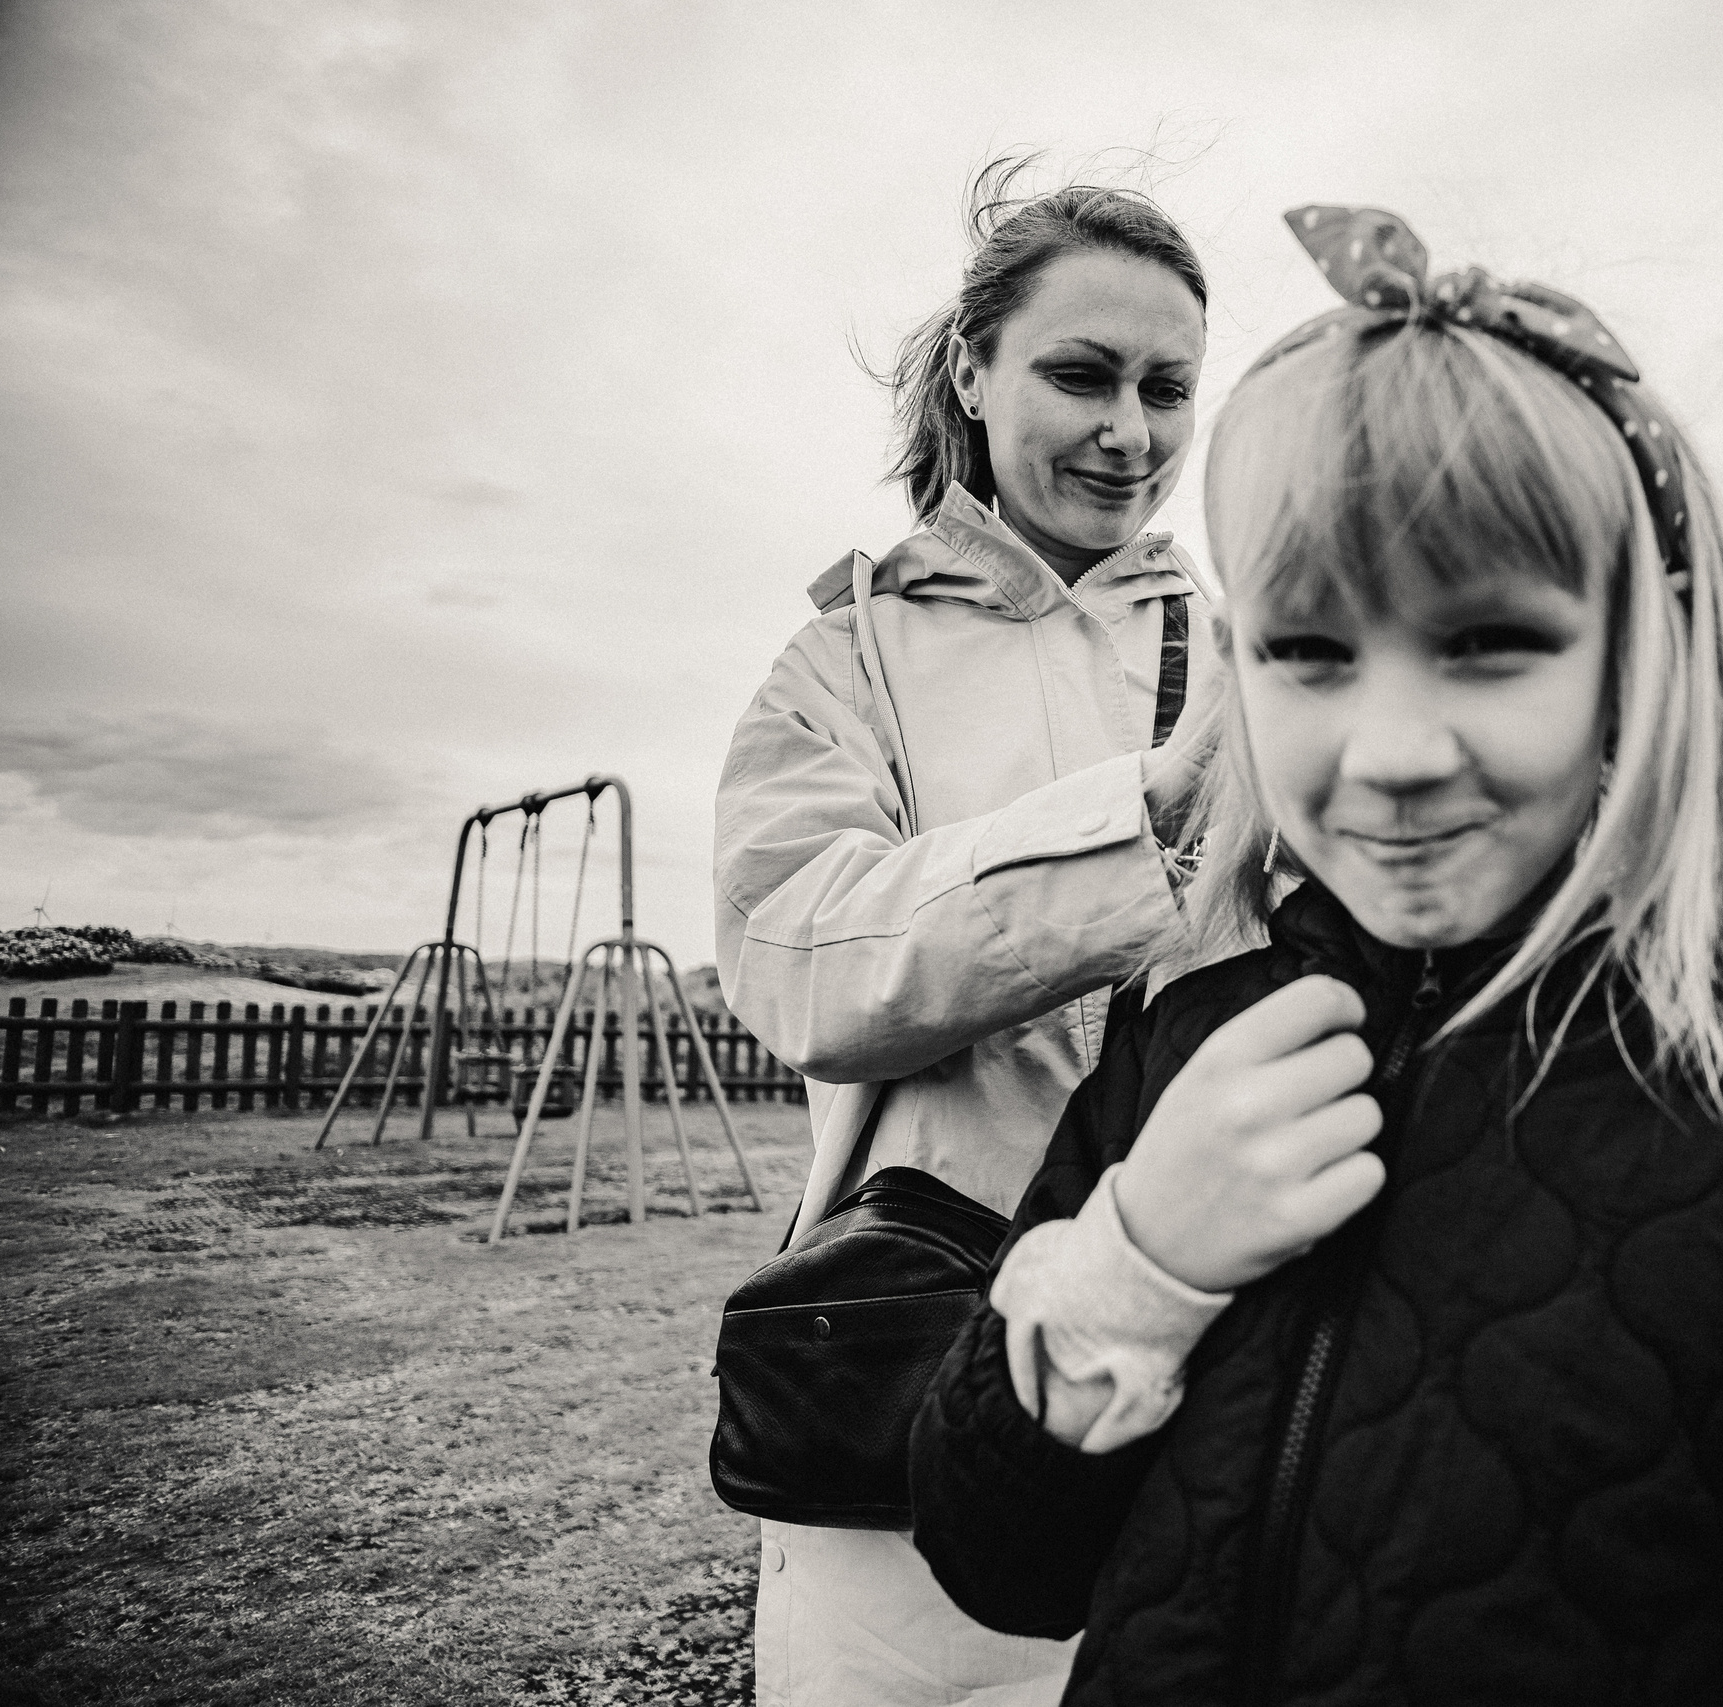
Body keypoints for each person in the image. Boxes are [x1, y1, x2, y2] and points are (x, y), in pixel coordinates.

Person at [909, 207, 1723, 1705]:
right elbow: (1000, 1557)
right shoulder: (1191, 1036)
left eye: (1489, 646)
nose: (1388, 753)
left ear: (1637, 663)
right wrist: (1141, 1261)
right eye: (1310, 653)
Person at [713, 163, 1220, 1707]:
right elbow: (800, 961)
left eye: (1168, 388)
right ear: (972, 370)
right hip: (914, 1383)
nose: (1130, 431)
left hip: (1216, 1365)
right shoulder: (841, 658)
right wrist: (1149, 820)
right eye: (1081, 373)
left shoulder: (1266, 648)